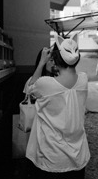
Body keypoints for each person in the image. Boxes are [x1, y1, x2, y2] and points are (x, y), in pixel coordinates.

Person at [25, 34, 90, 179]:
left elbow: (29, 88)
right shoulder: (84, 79)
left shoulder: (45, 84)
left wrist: (42, 62)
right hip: (78, 155)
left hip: (51, 156)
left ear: (56, 60)